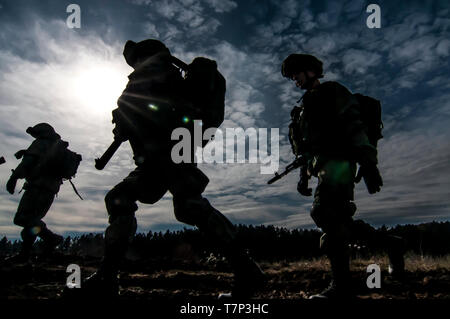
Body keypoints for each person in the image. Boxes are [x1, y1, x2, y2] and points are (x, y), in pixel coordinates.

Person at [84, 39, 265, 298]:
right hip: (159, 156)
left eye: (134, 58)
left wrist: (130, 116)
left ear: (142, 55)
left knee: (185, 205)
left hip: (167, 153)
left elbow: (158, 111)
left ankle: (247, 271)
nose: (132, 62)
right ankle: (107, 277)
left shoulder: (154, 71)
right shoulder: (162, 74)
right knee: (145, 201)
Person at [281, 54, 404, 299]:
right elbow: (306, 150)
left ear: (311, 71)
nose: (293, 78)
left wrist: (369, 163)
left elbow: (353, 124)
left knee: (323, 212)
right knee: (337, 219)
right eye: (291, 76)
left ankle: (342, 286)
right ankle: (390, 243)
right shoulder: (302, 108)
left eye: (296, 72)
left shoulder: (332, 92)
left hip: (340, 162)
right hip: (323, 167)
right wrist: (303, 178)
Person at [5, 123, 65, 262]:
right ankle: (25, 254)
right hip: (50, 190)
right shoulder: (57, 146)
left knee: (22, 218)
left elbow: (27, 163)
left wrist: (13, 178)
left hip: (37, 187)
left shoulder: (41, 143)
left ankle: (51, 238)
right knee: (31, 221)